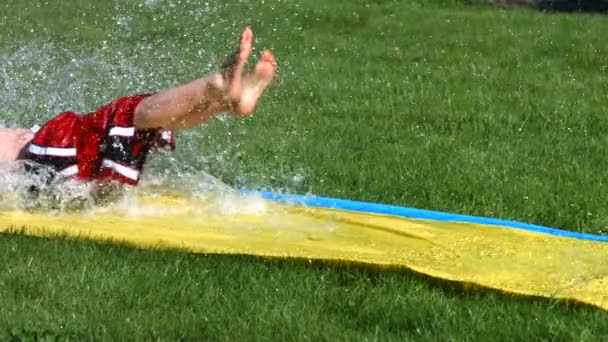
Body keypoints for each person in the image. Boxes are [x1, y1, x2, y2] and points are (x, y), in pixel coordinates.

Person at [0, 26, 276, 189]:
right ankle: (215, 85)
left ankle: (225, 102)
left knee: (149, 124)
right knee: (127, 116)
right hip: (51, 157)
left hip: (54, 157)